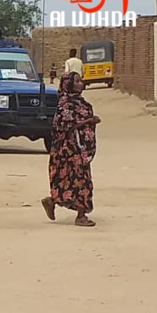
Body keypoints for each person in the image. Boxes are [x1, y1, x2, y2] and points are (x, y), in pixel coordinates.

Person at [41, 72, 100, 228]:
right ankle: (81, 216)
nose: (81, 84)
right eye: (77, 81)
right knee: (79, 180)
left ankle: (52, 201)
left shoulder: (79, 102)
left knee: (71, 180)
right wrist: (89, 120)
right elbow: (65, 125)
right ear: (69, 84)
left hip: (79, 149)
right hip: (69, 150)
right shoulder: (65, 104)